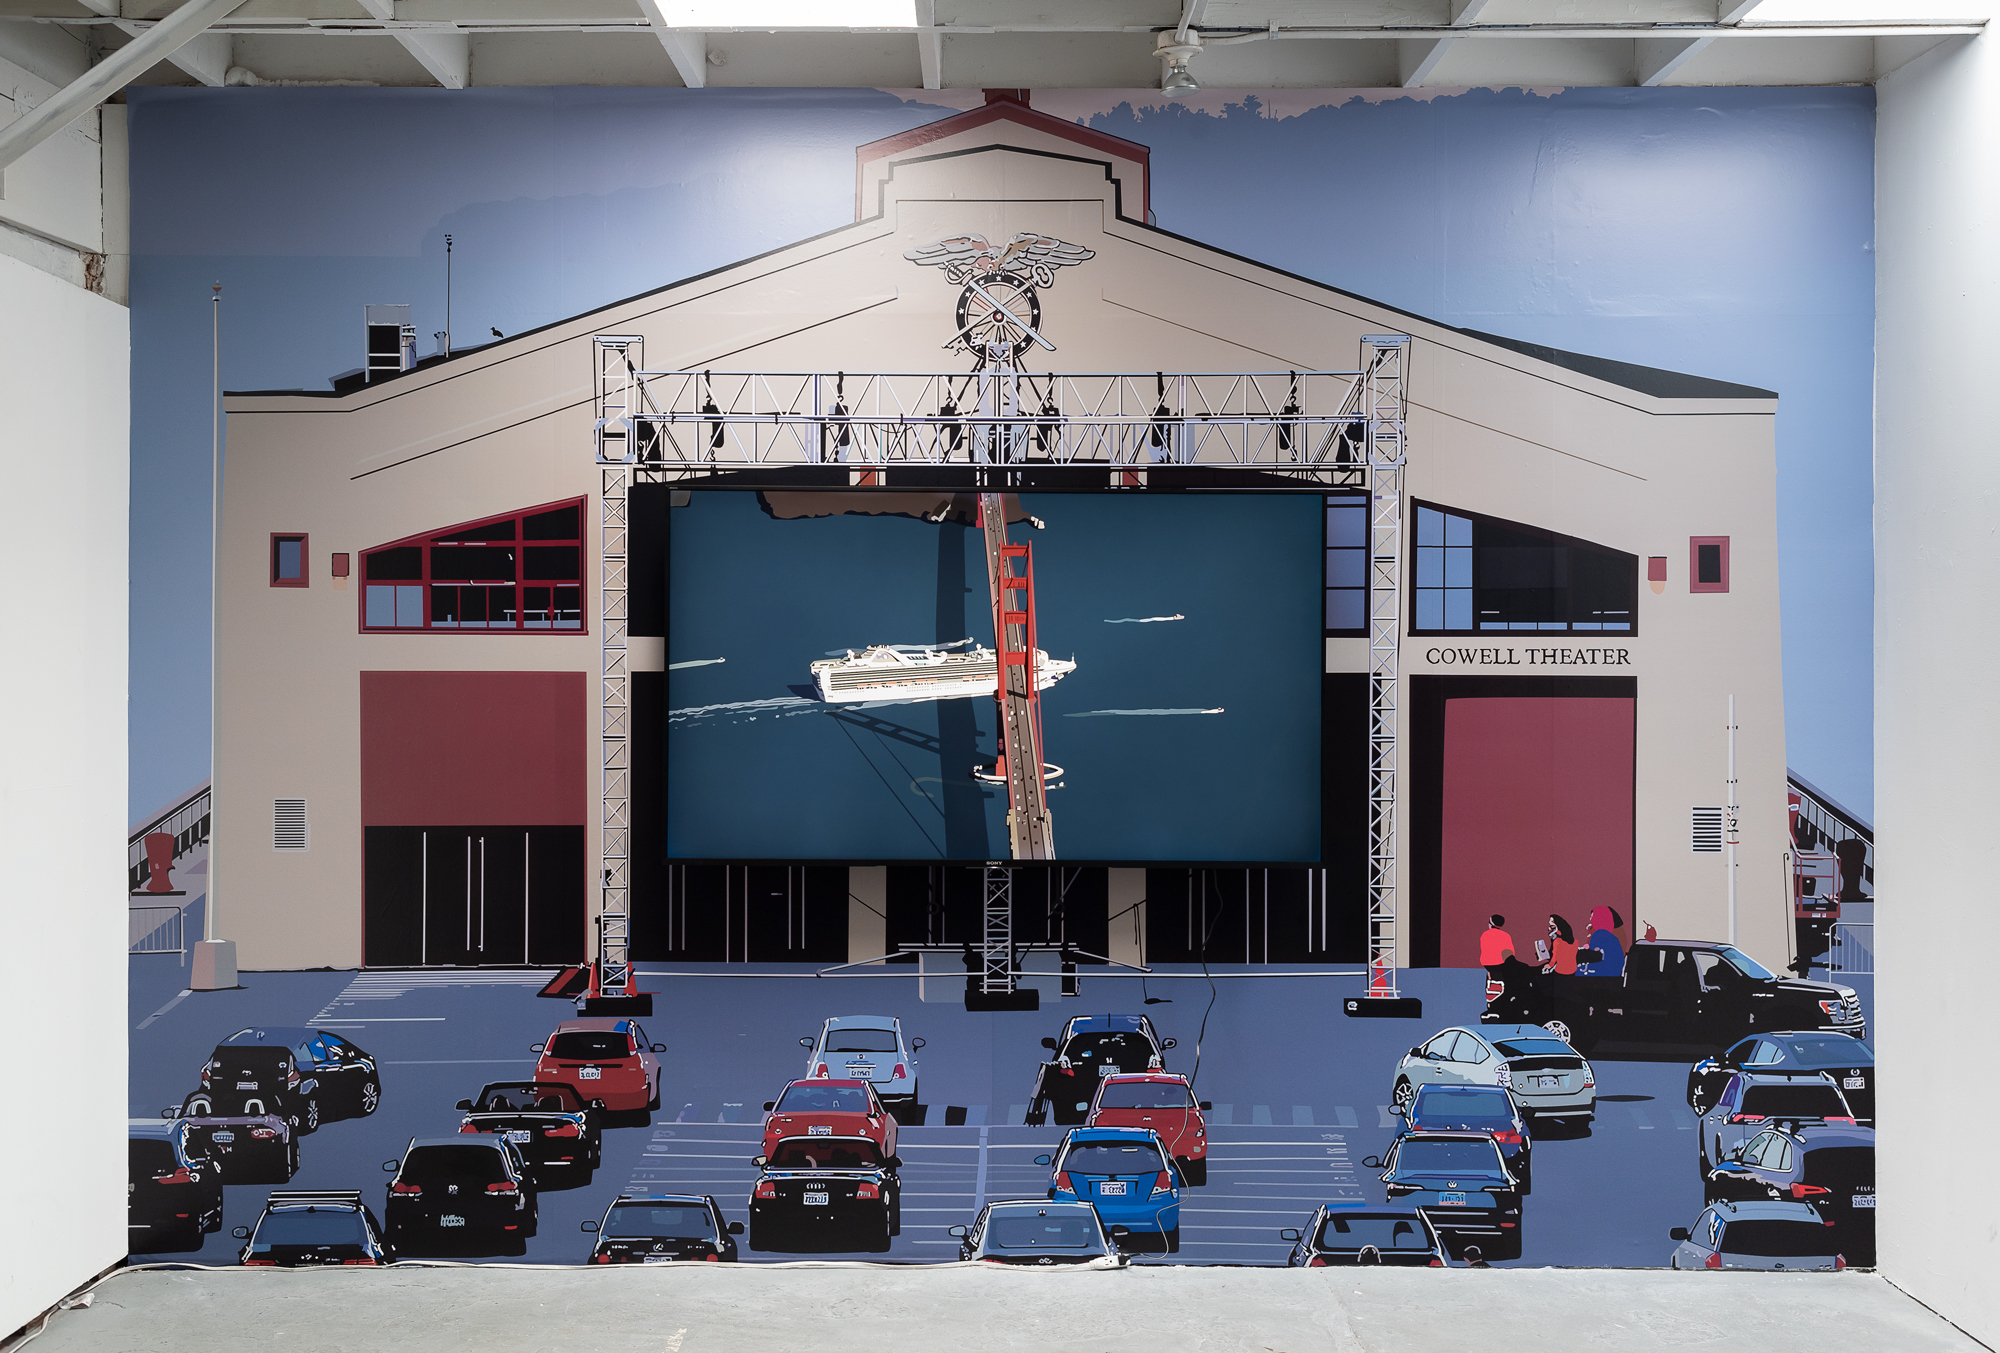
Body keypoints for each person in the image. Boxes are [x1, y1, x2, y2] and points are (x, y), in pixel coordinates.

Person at [1578, 905, 1627, 977]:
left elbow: (1593, 955)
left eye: (1592, 917)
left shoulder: (1599, 934)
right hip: (1615, 972)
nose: (1590, 920)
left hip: (1604, 973)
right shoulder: (1612, 937)